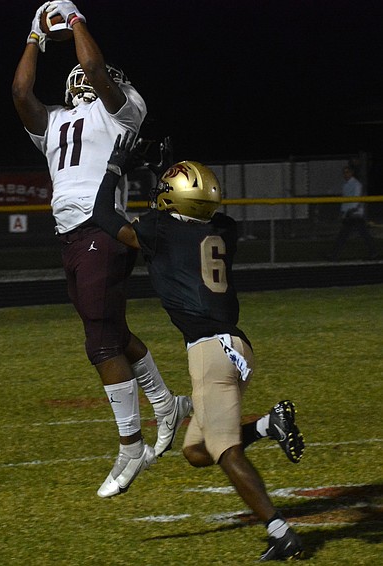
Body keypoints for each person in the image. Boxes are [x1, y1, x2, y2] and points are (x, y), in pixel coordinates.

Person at [91, 133, 307, 561]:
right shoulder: (225, 229)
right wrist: (163, 175)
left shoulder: (160, 231)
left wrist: (116, 169)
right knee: (195, 451)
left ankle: (281, 532)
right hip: (237, 346)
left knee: (224, 452)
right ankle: (268, 426)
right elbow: (187, 216)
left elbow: (102, 216)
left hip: (210, 352)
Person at [12, 0, 191, 499]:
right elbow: (20, 90)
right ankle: (166, 403)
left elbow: (91, 65)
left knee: (100, 341)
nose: (85, 78)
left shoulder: (123, 111)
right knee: (111, 327)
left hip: (102, 230)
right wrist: (33, 36)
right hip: (69, 234)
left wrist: (75, 21)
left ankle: (131, 446)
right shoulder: (54, 123)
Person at [327, 165, 378, 261]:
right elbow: (345, 201)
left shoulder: (356, 184)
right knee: (346, 235)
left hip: (355, 214)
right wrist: (343, 212)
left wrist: (351, 210)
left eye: (347, 172)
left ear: (351, 173)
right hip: (349, 214)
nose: (345, 174)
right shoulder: (345, 185)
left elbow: (356, 199)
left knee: (358, 235)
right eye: (344, 173)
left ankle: (334, 255)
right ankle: (334, 255)